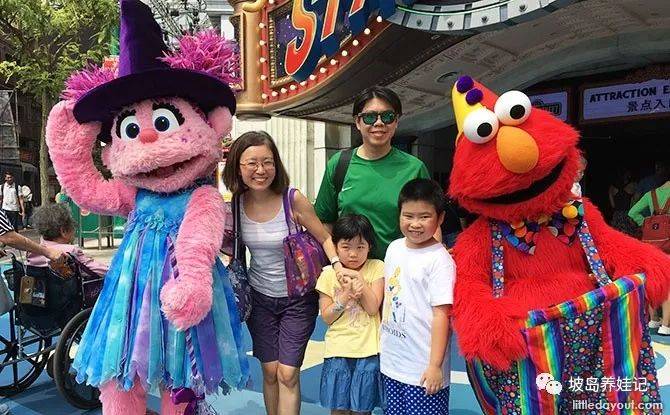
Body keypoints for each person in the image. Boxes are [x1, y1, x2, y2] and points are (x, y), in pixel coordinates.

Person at [222, 130, 345, 415]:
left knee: (287, 373)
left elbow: (324, 237)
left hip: (298, 300)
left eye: (267, 162)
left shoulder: (293, 199)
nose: (261, 170)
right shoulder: (235, 205)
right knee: (269, 371)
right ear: (238, 168)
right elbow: (227, 249)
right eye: (252, 163)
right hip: (260, 300)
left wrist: (337, 266)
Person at [314, 86, 430, 260]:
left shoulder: (414, 168)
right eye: (369, 117)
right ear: (357, 122)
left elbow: (430, 222)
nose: (379, 123)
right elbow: (325, 223)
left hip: (400, 271)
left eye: (387, 116)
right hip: (350, 272)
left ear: (396, 121)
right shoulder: (339, 164)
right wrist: (336, 263)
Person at [380, 179, 455, 415]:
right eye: (408, 216)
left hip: (422, 368)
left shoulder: (440, 260)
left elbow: (442, 315)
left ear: (440, 218)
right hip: (392, 362)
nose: (415, 224)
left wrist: (435, 366)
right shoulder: (393, 248)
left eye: (424, 217)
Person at [316, 214, 384, 415]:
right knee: (339, 409)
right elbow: (327, 317)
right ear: (336, 247)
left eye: (360, 247)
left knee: (363, 409)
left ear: (369, 247)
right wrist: (345, 296)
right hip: (338, 350)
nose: (353, 254)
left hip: (368, 351)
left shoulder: (376, 267)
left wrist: (357, 278)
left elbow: (372, 308)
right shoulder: (328, 275)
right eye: (346, 247)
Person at [26, 203, 108, 275]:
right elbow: (101, 271)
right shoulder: (70, 251)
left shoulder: (32, 253)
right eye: (73, 225)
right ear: (63, 231)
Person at [608, 169, 638, 236]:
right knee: (629, 236)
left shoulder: (612, 188)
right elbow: (635, 202)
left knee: (616, 237)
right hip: (628, 215)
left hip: (617, 216)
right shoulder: (633, 185)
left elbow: (613, 205)